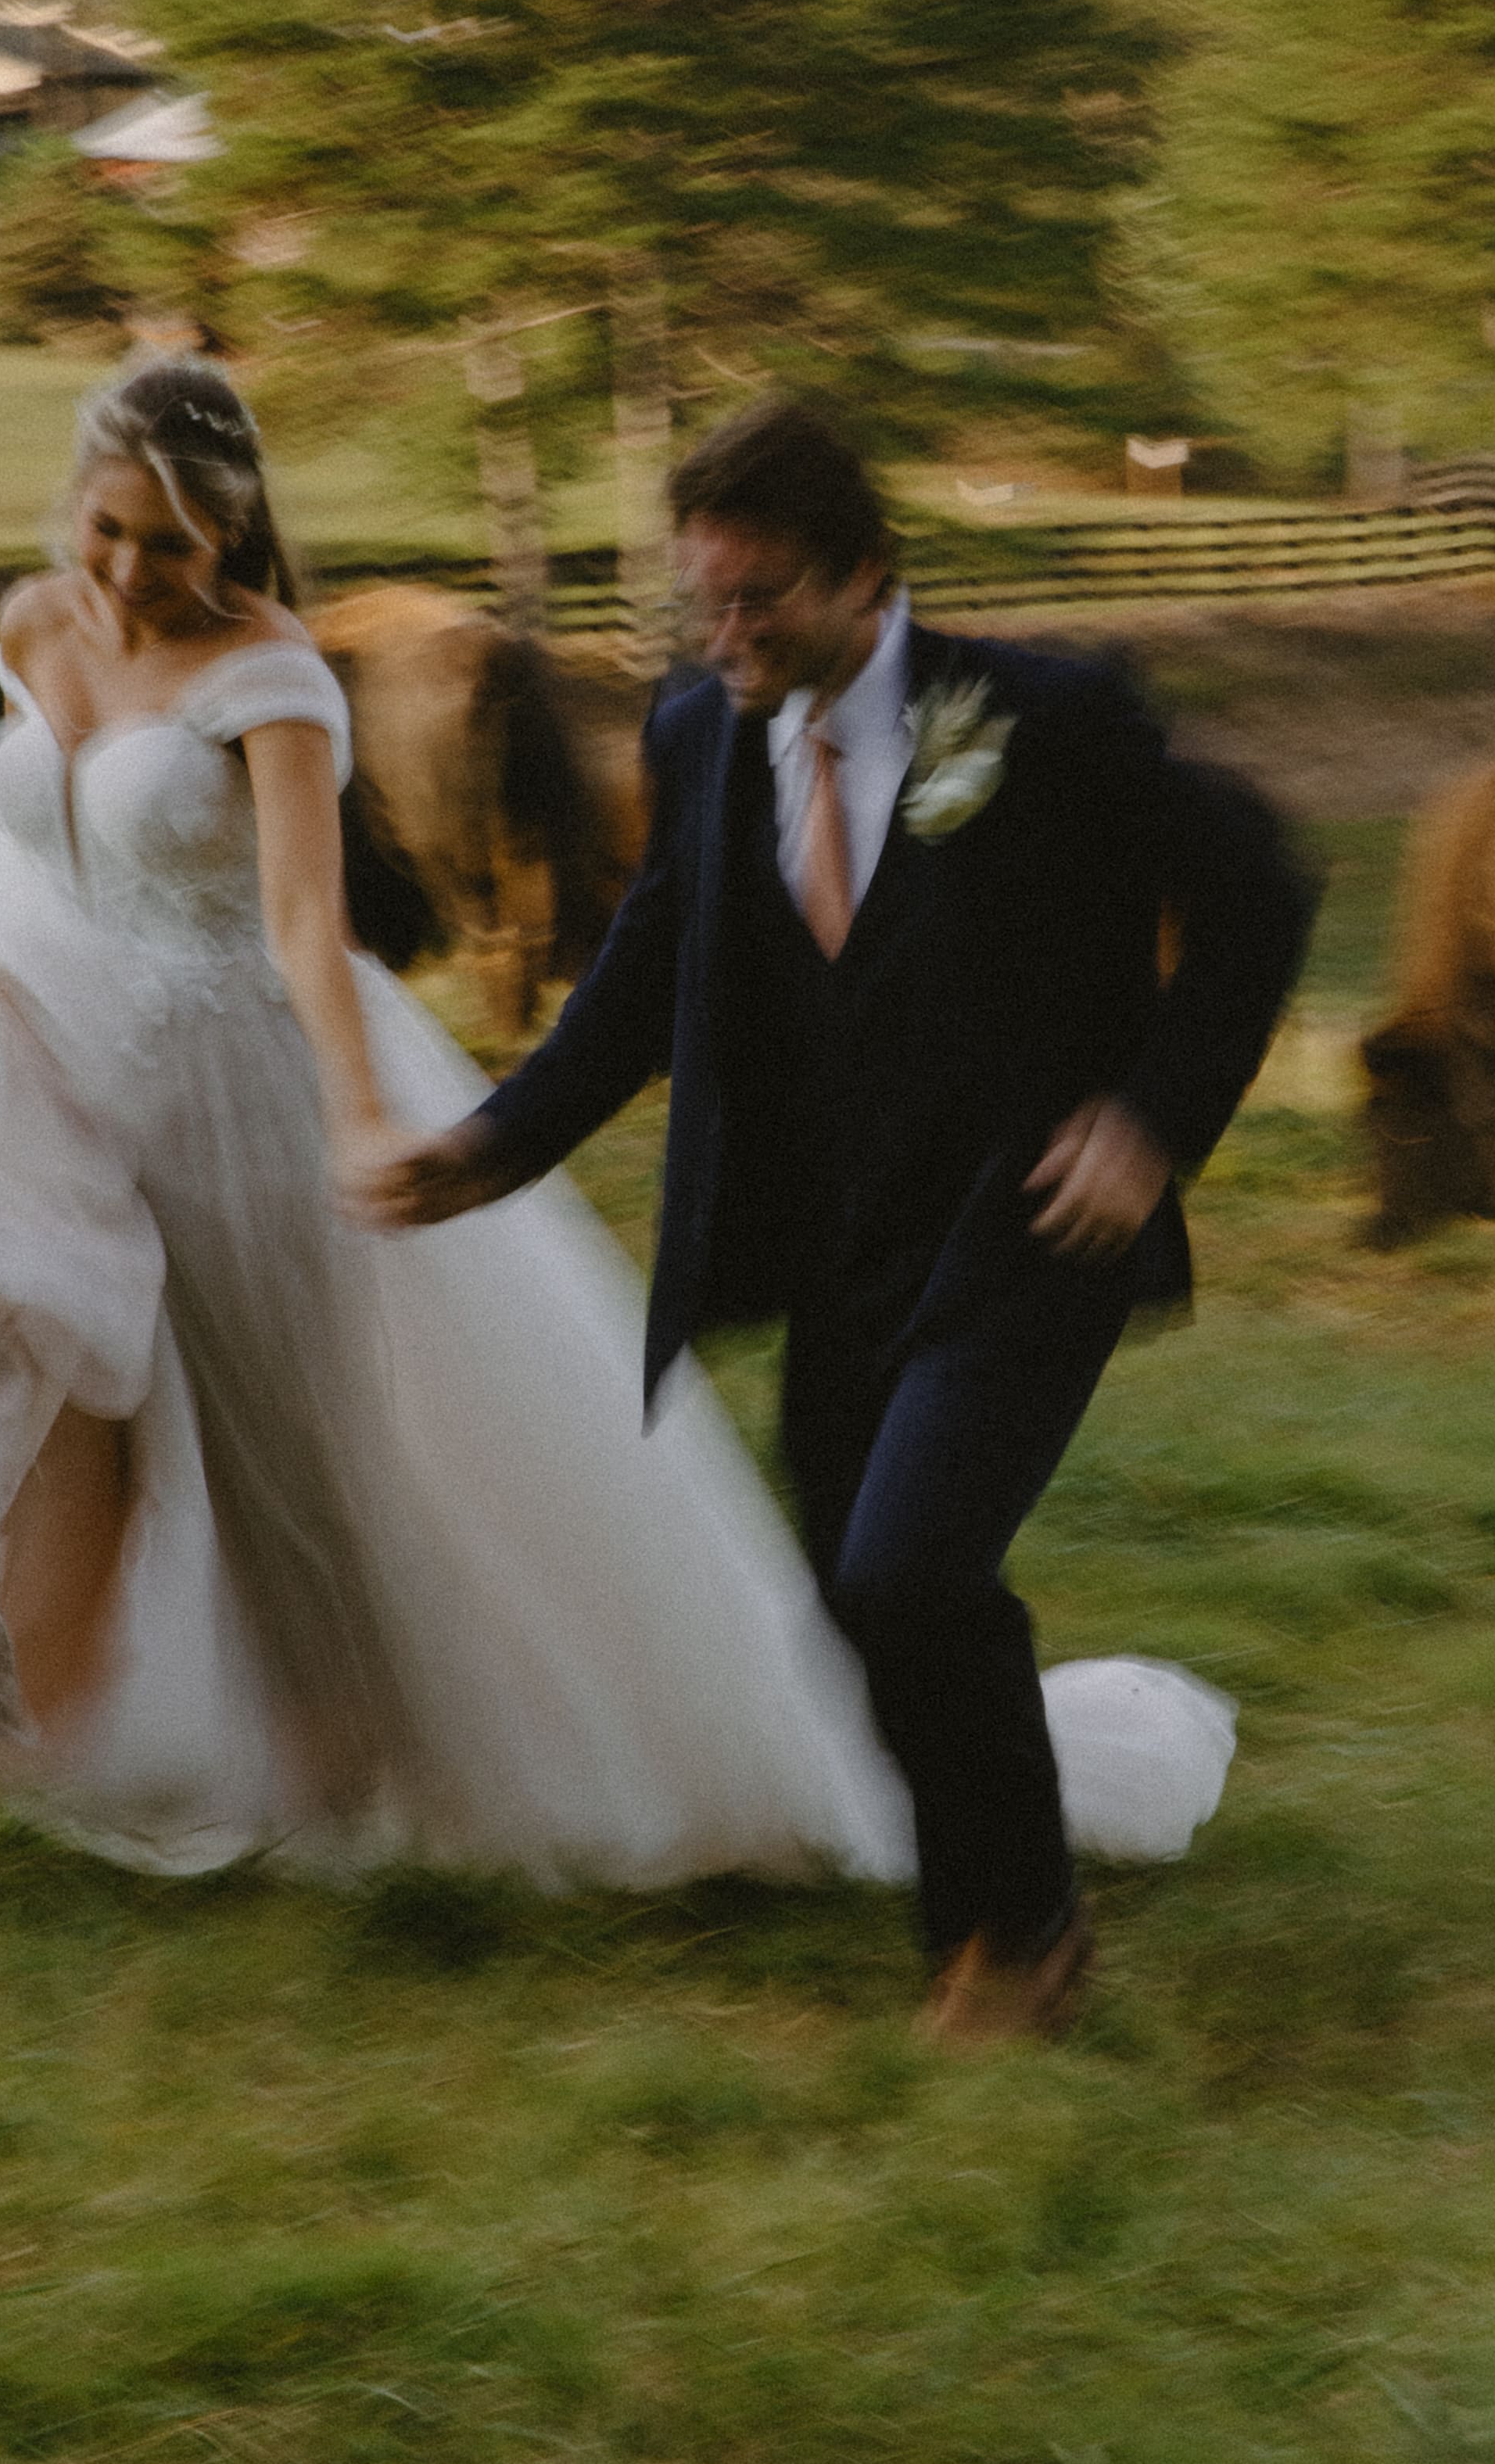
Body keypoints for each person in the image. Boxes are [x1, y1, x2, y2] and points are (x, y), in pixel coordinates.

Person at [0, 357, 904, 1896]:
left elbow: (297, 918)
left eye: (171, 544)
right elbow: (26, 819)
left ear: (232, 537)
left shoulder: (271, 675)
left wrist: (355, 1116)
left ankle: (345, 1764)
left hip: (223, 1086)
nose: (131, 571)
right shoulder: (27, 620)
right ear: (73, 503)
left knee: (280, 1458)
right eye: (107, 528)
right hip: (31, 1071)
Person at [361, 398, 1315, 2047]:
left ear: (868, 576)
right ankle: (993, 1919)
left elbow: (1257, 893)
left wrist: (1150, 1125)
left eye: (762, 598)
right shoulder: (694, 735)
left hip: (1024, 1232)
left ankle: (1019, 1942)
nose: (726, 635)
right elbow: (655, 962)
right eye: (703, 602)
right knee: (855, 1602)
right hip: (824, 1250)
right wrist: (492, 1142)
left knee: (909, 1572)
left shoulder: (1040, 717)